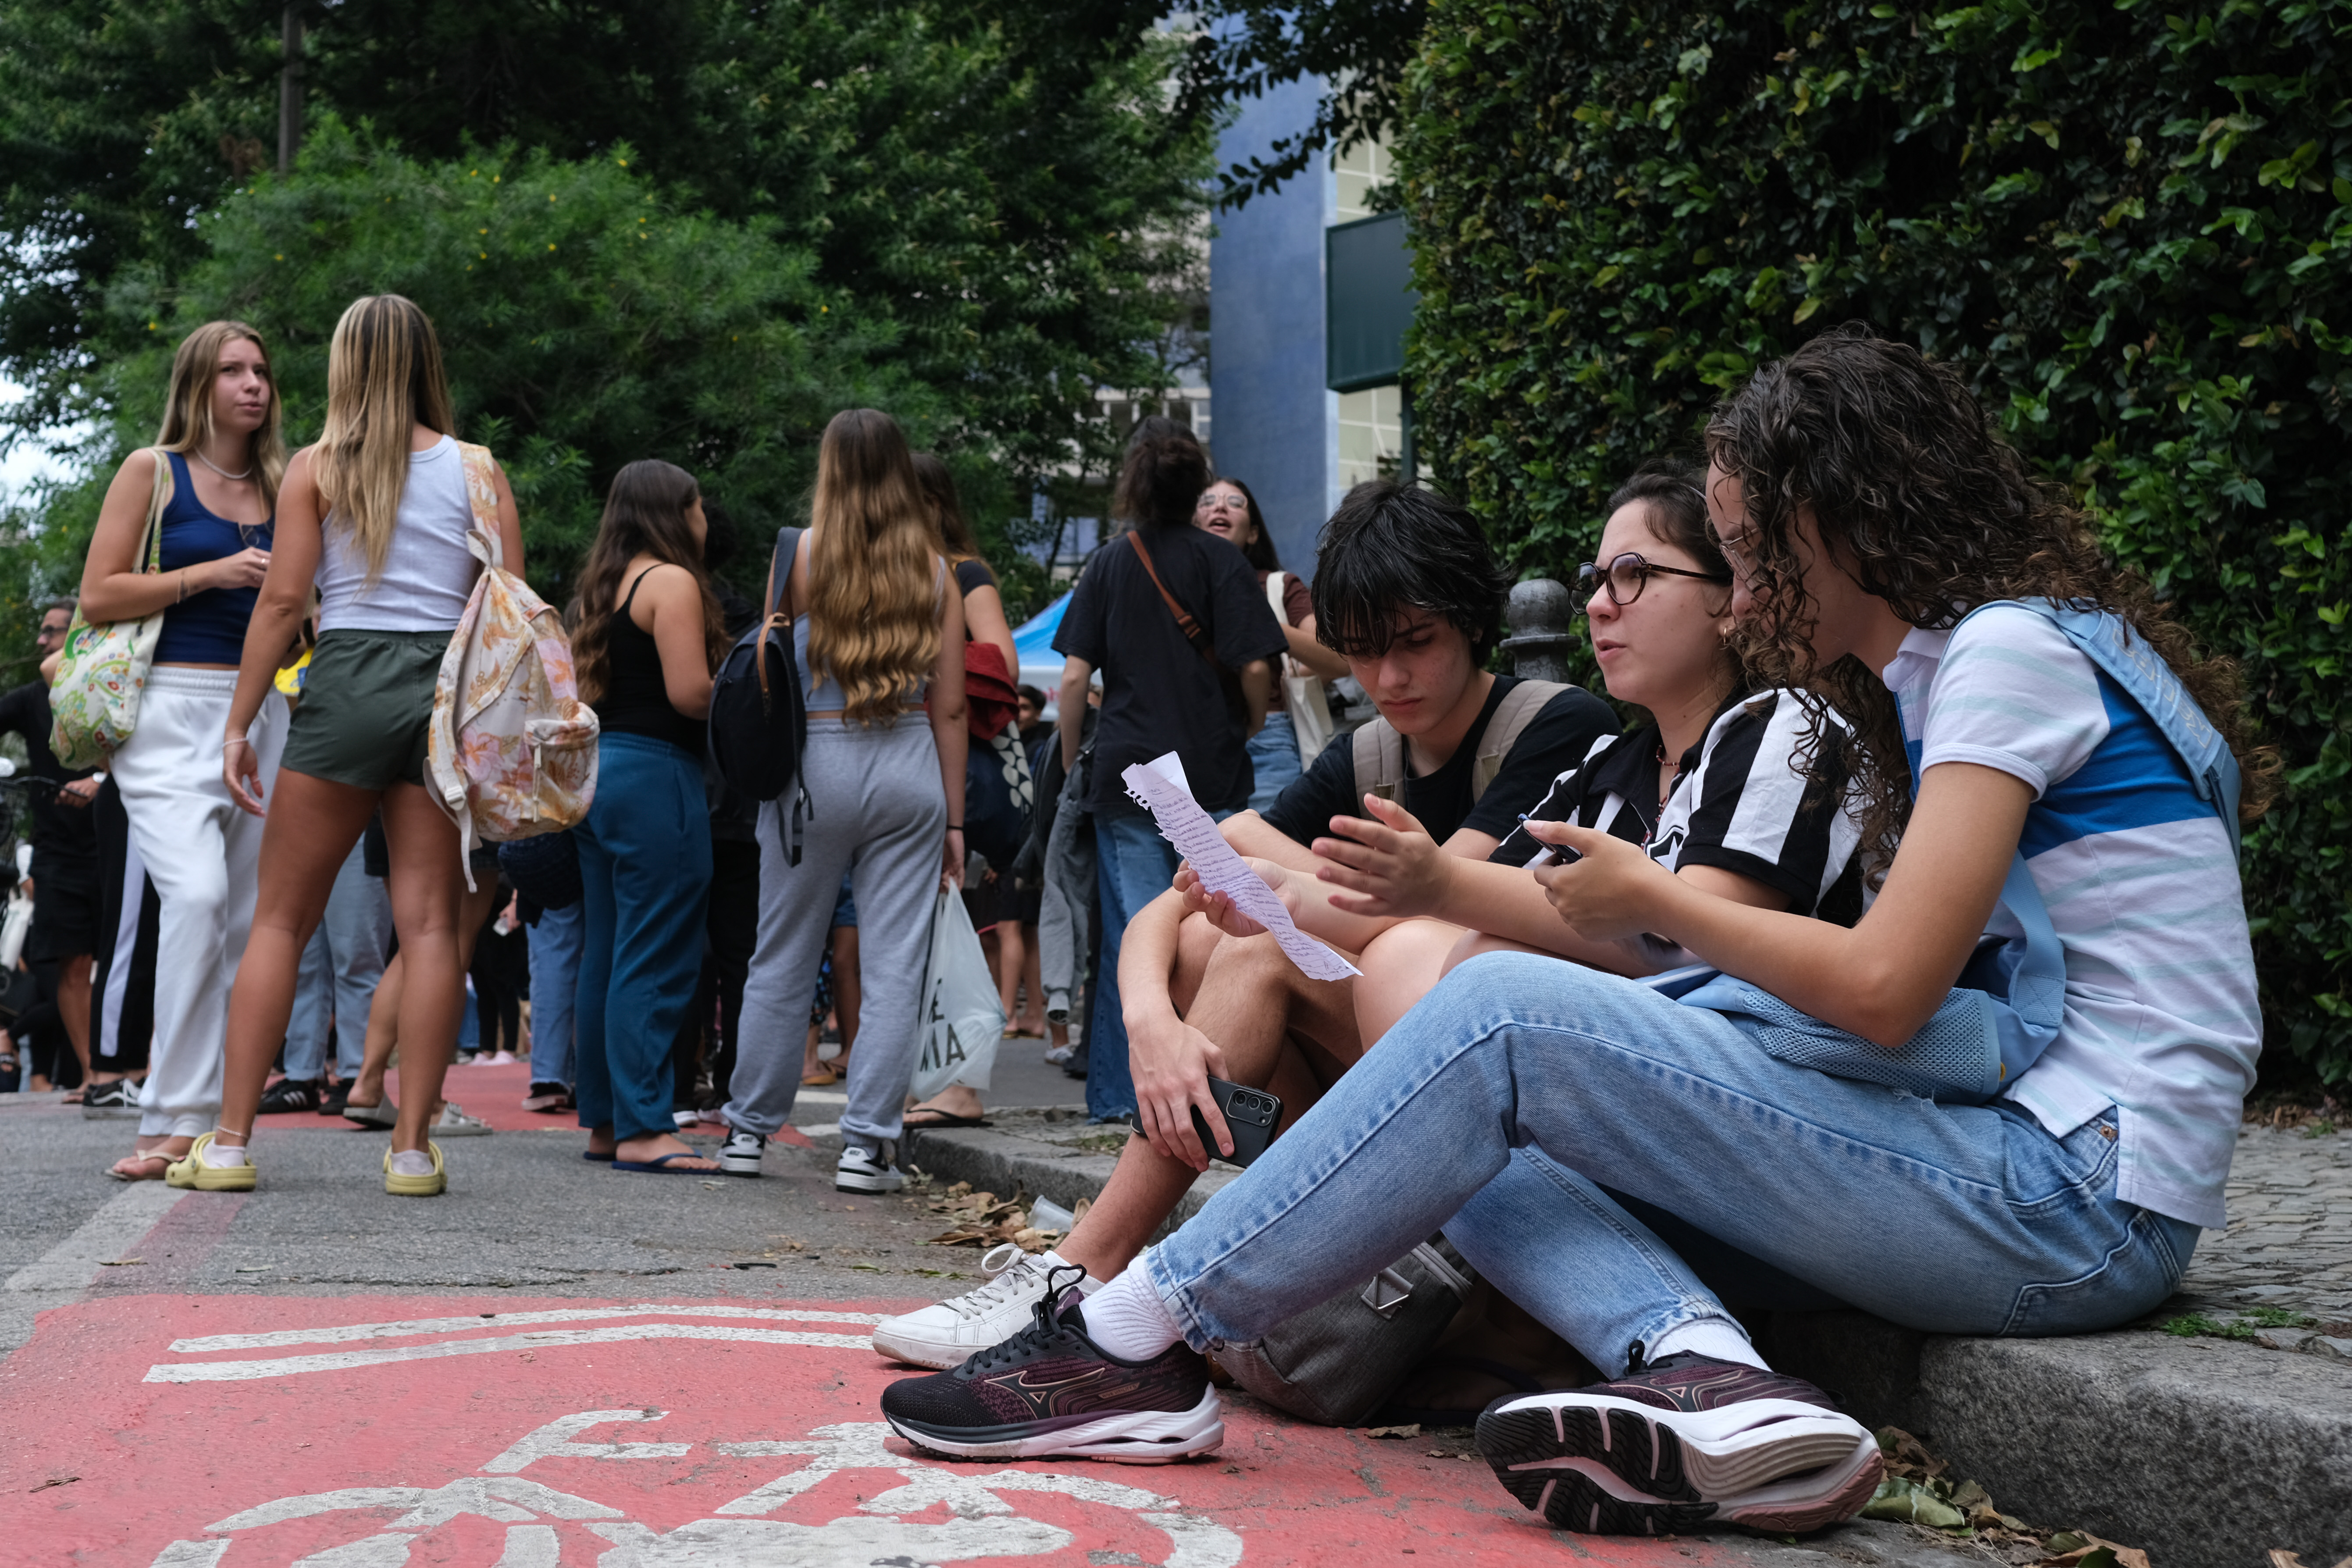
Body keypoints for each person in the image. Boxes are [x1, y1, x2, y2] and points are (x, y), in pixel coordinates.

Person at [879, 328, 2269, 1540]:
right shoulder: (1978, 658)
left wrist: (1655, 901)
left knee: (1489, 1024)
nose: (1745, 585)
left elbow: (1893, 988)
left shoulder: (2006, 655)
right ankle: (1708, 1371)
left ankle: (1134, 1332)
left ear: (1840, 519)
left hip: (2081, 1196)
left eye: (1744, 549)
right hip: (2043, 1162)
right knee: (1468, 1108)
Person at [872, 476, 1620, 1366]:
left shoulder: (1554, 724)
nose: (1389, 677)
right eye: (1366, 650)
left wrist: (1261, 858)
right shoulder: (1368, 754)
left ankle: (1084, 1273)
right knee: (1200, 935)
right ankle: (1193, 1275)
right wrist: (1149, 1023)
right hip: (1408, 1096)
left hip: (1515, 1101)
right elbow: (1168, 910)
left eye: (1417, 643)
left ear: (1471, 619)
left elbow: (1433, 910)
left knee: (1260, 948)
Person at [179, 294, 525, 1196]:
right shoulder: (480, 468)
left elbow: (285, 606)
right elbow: (510, 610)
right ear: (425, 363)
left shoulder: (315, 469)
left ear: (343, 365)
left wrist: (237, 724)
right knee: (428, 925)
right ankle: (410, 1150)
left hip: (346, 681)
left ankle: (229, 1144)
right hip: (442, 694)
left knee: (282, 921)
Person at [715, 409, 968, 1192]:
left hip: (813, 765)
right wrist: (955, 819)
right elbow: (952, 708)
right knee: (895, 964)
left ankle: (747, 1134)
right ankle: (865, 1147)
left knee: (781, 953)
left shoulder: (797, 555)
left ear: (828, 469)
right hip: (907, 764)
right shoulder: (936, 573)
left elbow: (768, 670)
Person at [77, 321, 285, 1181]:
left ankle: (206, 1121)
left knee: (244, 923)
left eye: (262, 371)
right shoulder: (151, 470)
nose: (253, 385)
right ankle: (165, 1111)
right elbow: (98, 596)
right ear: (197, 384)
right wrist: (213, 574)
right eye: (233, 371)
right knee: (196, 900)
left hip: (263, 708)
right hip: (168, 708)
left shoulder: (288, 479)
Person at [1051, 418, 1286, 1123]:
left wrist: (1073, 764)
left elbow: (1071, 680)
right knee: (1220, 927)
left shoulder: (1110, 562)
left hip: (1128, 773)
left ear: (1133, 485)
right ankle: (1214, 1094)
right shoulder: (1222, 564)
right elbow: (1254, 665)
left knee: (1135, 934)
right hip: (1206, 772)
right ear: (1192, 488)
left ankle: (1124, 1102)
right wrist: (1246, 723)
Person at [567, 459, 723, 1173]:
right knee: (657, 948)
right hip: (657, 771)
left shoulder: (604, 587)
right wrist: (750, 693)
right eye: (696, 505)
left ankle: (604, 1120)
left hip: (599, 773)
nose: (704, 518)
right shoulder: (671, 581)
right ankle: (643, 1126)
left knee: (606, 950)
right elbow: (691, 693)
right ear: (674, 511)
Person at [906, 453, 1020, 1131]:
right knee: (918, 935)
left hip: (951, 770)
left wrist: (927, 659)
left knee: (957, 931)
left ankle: (962, 1086)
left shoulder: (962, 574)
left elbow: (1000, 660)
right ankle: (934, 1080)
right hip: (913, 765)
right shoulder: (894, 574)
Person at [1194, 477, 1350, 812]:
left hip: (1268, 741)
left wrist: (1261, 623)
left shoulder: (1279, 586)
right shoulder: (1171, 589)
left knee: (1266, 859)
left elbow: (1337, 658)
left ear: (1253, 533)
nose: (1221, 506)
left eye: (1235, 502)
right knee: (1195, 866)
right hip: (1191, 743)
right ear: (1192, 524)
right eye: (1208, 501)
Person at [0, 601, 103, 1099]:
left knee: (132, 955)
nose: (41, 641)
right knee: (72, 962)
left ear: (80, 636)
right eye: (40, 632)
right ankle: (91, 1075)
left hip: (117, 839)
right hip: (58, 851)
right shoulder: (30, 698)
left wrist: (102, 780)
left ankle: (138, 1065)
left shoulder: (112, 682)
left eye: (51, 631)